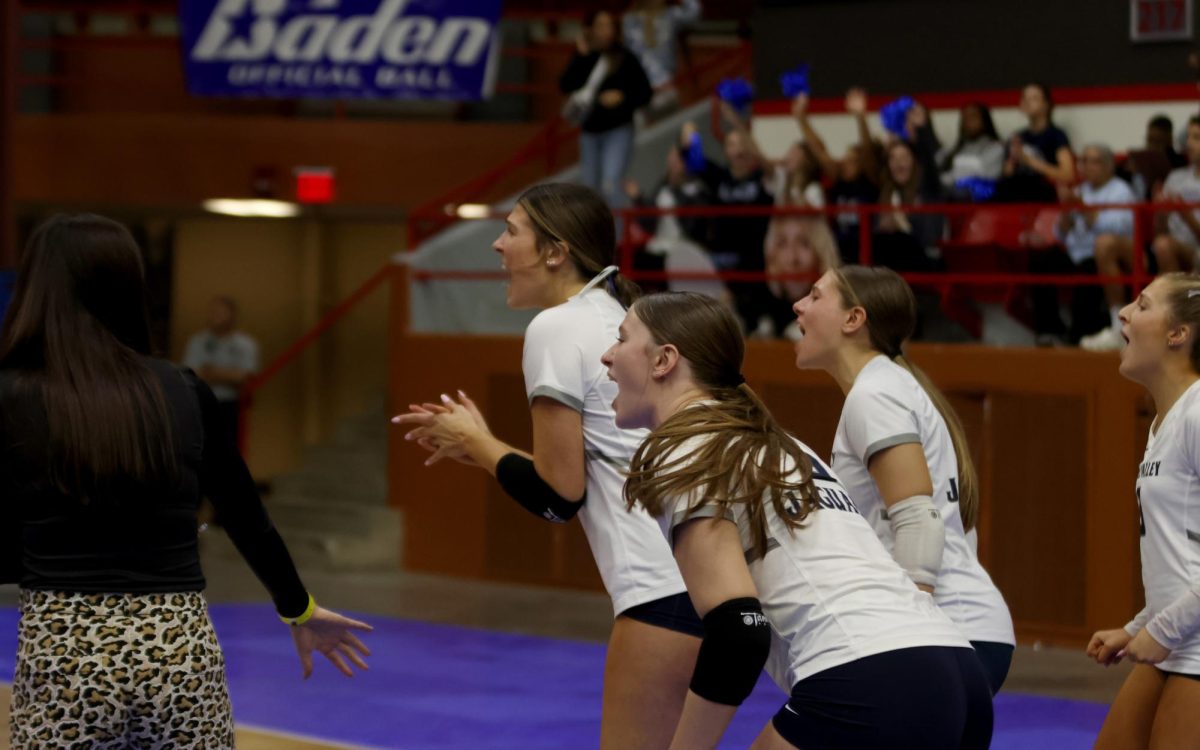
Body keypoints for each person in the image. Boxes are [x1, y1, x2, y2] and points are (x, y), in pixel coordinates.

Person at [0, 214, 371, 748]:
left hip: (68, 656)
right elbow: (246, 516)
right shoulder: (181, 388)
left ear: (37, 290)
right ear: (129, 288)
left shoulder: (12, 396)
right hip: (180, 656)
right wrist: (300, 607)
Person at [601, 291, 993, 749]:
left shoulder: (686, 447)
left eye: (622, 339)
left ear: (664, 360)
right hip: (957, 674)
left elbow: (739, 631)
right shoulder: (780, 443)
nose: (608, 356)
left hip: (870, 676)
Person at [392, 183, 700, 750]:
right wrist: (482, 443)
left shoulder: (556, 328)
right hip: (709, 589)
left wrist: (477, 442)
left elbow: (558, 497)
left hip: (662, 595)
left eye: (511, 231)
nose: (496, 244)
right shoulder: (619, 317)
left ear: (555, 252)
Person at [792, 265, 1016, 695]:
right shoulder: (889, 386)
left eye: (816, 296)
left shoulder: (875, 394)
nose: (799, 304)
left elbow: (918, 519)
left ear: (853, 320)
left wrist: (907, 634)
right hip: (962, 630)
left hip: (944, 631)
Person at [1087, 272, 1200, 750]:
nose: (1124, 313)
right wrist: (1138, 627)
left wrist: (1162, 629)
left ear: (1178, 334)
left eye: (1143, 304)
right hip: (1177, 636)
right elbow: (1181, 553)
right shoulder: (1165, 423)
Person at [560, 11, 653, 208]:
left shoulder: (625, 58)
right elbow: (566, 84)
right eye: (601, 26)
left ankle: (615, 237)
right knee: (589, 190)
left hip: (618, 128)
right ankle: (592, 236)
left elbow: (645, 92)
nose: (606, 31)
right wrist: (581, 56)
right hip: (590, 130)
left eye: (610, 25)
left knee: (611, 183)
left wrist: (623, 97)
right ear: (590, 29)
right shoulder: (585, 56)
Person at [1048, 144, 1137, 351]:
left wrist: (1084, 208)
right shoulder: (1080, 190)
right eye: (1084, 161)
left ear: (1108, 166)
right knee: (1045, 259)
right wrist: (1067, 213)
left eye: (1093, 161)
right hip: (1075, 251)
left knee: (1091, 263)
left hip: (1105, 253)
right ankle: (1050, 329)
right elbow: (1059, 234)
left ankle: (1092, 332)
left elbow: (1119, 228)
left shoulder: (1120, 190)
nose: (1087, 166)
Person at [795, 88, 881, 264]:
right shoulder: (838, 180)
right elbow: (819, 150)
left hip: (867, 251)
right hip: (838, 251)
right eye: (845, 158)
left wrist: (860, 117)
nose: (846, 163)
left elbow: (868, 151)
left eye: (852, 160)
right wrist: (801, 118)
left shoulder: (869, 181)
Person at [182, 295, 259, 451]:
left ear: (232, 315)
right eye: (213, 311)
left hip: (231, 406)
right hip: (200, 405)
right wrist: (227, 374)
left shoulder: (245, 344)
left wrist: (211, 371)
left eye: (221, 312)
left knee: (228, 450)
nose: (215, 316)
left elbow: (243, 377)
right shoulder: (197, 342)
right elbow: (190, 374)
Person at [997, 82, 1075, 204]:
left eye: (1034, 98)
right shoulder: (1017, 136)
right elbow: (1006, 174)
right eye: (1024, 98)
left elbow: (1067, 174)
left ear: (1046, 104)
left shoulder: (1056, 135)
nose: (1027, 102)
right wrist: (1012, 160)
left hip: (1042, 191)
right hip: (1015, 190)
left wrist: (1029, 160)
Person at [762, 215, 839, 338]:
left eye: (804, 244)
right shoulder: (759, 312)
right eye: (782, 244)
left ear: (822, 252)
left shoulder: (840, 311)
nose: (792, 258)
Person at [622, 0, 701, 115]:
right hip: (642, 89)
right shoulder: (630, 20)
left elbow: (694, 12)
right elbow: (631, 55)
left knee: (675, 124)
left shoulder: (670, 15)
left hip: (668, 86)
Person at [1153, 116, 1200, 276]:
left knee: (1164, 245)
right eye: (1188, 137)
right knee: (1162, 245)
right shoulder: (1175, 177)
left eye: (1196, 138)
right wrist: (1160, 212)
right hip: (1176, 247)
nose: (1189, 144)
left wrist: (1184, 212)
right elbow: (1159, 232)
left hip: (1197, 249)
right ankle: (1172, 299)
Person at [937, 102, 1005, 191]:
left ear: (984, 120)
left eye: (973, 116)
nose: (968, 122)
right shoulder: (952, 150)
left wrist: (948, 177)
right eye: (965, 118)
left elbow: (981, 173)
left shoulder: (997, 148)